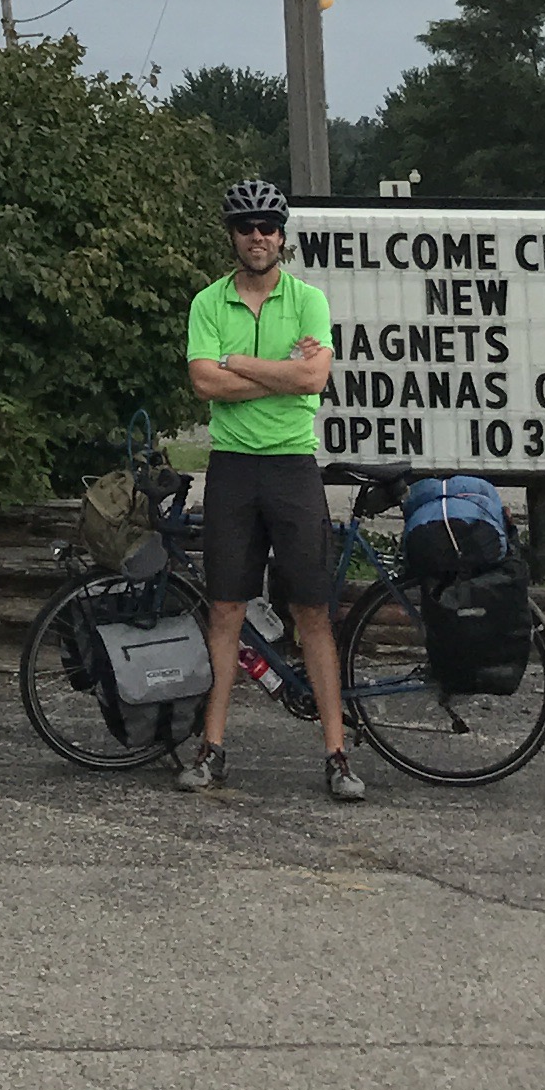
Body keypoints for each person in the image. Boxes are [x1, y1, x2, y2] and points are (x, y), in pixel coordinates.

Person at [178, 177, 363, 800]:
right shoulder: (208, 303)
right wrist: (281, 376)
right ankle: (212, 747)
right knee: (226, 609)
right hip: (232, 467)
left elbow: (315, 377)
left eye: (267, 226)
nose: (257, 236)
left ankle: (337, 754)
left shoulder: (307, 299)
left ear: (282, 235)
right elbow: (204, 384)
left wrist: (239, 364)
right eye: (245, 226)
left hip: (292, 467)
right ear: (231, 235)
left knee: (313, 612)